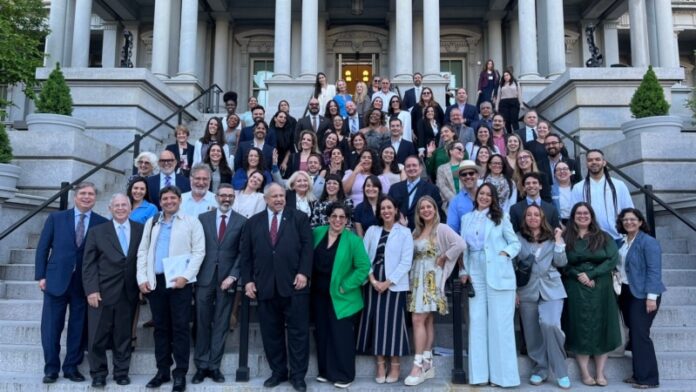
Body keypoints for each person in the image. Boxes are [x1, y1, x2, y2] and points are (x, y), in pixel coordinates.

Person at [240, 183, 313, 392]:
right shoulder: (253, 223)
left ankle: (298, 376)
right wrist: (248, 281)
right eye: (274, 196)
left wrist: (303, 273)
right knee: (271, 333)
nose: (279, 199)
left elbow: (308, 248)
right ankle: (278, 372)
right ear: (265, 199)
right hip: (265, 286)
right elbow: (246, 256)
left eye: (282, 195)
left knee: (298, 333)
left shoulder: (299, 218)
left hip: (294, 285)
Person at [35, 182, 108, 384]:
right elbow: (42, 248)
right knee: (51, 327)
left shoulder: (102, 223)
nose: (86, 197)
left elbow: (102, 256)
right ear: (75, 197)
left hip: (84, 284)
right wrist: (41, 276)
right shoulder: (56, 218)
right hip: (55, 280)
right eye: (83, 193)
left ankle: (71, 367)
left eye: (91, 194)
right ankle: (51, 368)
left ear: (95, 198)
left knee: (78, 327)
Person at [136, 185, 205, 392]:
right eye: (165, 199)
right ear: (160, 201)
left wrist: (186, 276)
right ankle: (162, 371)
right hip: (155, 282)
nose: (169, 202)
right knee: (161, 328)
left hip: (179, 283)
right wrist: (141, 278)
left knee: (180, 328)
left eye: (172, 198)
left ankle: (180, 373)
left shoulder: (191, 222)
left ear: (179, 200)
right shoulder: (152, 222)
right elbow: (143, 251)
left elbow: (199, 252)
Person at [459, 183, 521, 387]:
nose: (484, 197)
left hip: (498, 270)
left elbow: (515, 243)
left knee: (500, 325)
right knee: (476, 322)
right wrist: (463, 270)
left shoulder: (501, 217)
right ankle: (479, 376)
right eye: (481, 193)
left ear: (493, 198)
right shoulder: (466, 218)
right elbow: (464, 248)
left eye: (488, 194)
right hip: (475, 272)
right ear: (475, 196)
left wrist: (505, 254)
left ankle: (503, 377)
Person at [82, 193, 143, 388]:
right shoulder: (97, 231)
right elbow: (88, 264)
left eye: (124, 205)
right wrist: (91, 290)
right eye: (116, 205)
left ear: (130, 208)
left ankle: (121, 372)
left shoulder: (140, 230)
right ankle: (98, 373)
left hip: (129, 292)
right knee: (97, 336)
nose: (120, 208)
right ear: (110, 208)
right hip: (102, 292)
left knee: (123, 335)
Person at [404, 196, 466, 386]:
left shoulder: (442, 228)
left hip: (431, 278)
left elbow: (461, 244)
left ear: (435, 209)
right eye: (422, 207)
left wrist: (444, 257)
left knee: (417, 319)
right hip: (417, 278)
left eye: (429, 206)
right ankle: (428, 362)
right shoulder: (417, 231)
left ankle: (417, 365)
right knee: (427, 319)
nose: (426, 210)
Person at [562, 202, 622, 387]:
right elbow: (560, 260)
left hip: (601, 285)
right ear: (573, 216)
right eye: (578, 213)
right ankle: (585, 372)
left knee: (601, 325)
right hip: (575, 286)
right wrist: (578, 275)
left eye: (586, 213)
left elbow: (613, 259)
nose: (582, 216)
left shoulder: (603, 236)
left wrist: (592, 274)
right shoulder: (565, 237)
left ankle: (600, 373)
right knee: (580, 326)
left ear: (591, 216)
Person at [311, 203, 370, 388]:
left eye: (342, 217)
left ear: (347, 220)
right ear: (328, 218)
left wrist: (346, 285)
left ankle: (345, 375)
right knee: (322, 333)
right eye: (334, 216)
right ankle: (326, 372)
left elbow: (363, 267)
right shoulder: (317, 233)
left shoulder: (353, 240)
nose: (337, 220)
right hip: (319, 295)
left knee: (341, 335)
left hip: (343, 296)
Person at [192, 184, 246, 385]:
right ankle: (201, 365)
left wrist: (233, 276)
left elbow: (242, 252)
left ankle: (214, 366)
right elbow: (196, 247)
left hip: (227, 280)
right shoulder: (202, 219)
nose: (226, 199)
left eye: (230, 196)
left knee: (222, 323)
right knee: (202, 321)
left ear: (234, 198)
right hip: (204, 278)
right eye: (223, 195)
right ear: (216, 198)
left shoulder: (242, 222)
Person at [357, 196, 413, 384]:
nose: (386, 211)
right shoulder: (372, 231)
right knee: (376, 323)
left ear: (396, 210)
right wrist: (373, 280)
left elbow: (406, 262)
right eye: (383, 208)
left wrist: (387, 283)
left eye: (389, 207)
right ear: (379, 212)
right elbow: (363, 257)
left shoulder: (405, 233)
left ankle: (395, 364)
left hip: (394, 285)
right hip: (373, 283)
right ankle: (380, 364)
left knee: (394, 325)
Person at [515, 204, 571, 389]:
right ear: (525, 219)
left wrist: (559, 240)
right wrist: (514, 291)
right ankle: (540, 369)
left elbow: (561, 262)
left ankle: (561, 371)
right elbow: (512, 266)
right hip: (527, 290)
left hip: (552, 288)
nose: (533, 217)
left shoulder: (552, 238)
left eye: (536, 215)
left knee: (550, 324)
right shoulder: (517, 238)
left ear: (542, 218)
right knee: (532, 333)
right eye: (529, 215)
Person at [616, 208, 666, 389]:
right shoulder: (622, 242)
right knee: (635, 333)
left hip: (644, 294)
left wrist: (651, 297)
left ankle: (649, 378)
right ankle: (638, 374)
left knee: (640, 334)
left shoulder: (648, 242)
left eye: (632, 219)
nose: (628, 222)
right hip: (627, 293)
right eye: (625, 220)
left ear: (640, 221)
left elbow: (654, 271)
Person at [571, 149, 634, 244]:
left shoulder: (619, 185)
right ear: (586, 164)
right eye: (590, 160)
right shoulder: (578, 187)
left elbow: (629, 211)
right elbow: (574, 215)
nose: (594, 162)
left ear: (604, 162)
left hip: (617, 238)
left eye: (597, 159)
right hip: (589, 239)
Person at [388, 155, 444, 230]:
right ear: (404, 169)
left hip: (424, 232)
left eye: (414, 165)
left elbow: (438, 213)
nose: (411, 168)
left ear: (420, 168)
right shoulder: (394, 188)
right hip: (399, 231)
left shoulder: (432, 189)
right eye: (408, 166)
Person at [446, 160, 480, 233]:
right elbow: (452, 230)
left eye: (471, 173)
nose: (468, 176)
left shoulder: (488, 196)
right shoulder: (455, 202)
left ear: (477, 175)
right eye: (464, 174)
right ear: (460, 178)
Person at [436, 140, 467, 210]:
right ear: (451, 151)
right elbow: (442, 186)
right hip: (448, 206)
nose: (462, 151)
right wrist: (456, 201)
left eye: (463, 150)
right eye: (459, 148)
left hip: (467, 204)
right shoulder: (441, 168)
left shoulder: (468, 166)